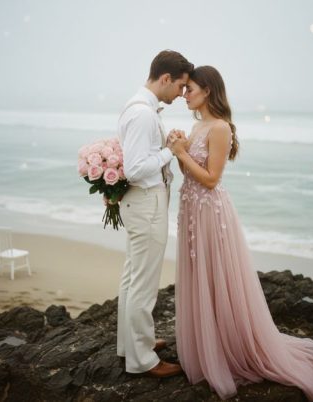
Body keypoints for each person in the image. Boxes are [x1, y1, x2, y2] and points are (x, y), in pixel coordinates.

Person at [171, 65, 313, 400]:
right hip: (190, 211)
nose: (184, 94)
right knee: (200, 276)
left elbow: (211, 178)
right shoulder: (197, 124)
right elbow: (189, 173)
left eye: (190, 89)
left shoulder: (219, 127)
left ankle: (229, 348)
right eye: (184, 89)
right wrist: (181, 148)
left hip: (210, 214)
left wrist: (181, 152)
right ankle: (207, 345)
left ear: (208, 91)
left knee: (216, 277)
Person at [116, 50, 193, 377]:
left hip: (142, 201)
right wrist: (170, 151)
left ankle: (130, 345)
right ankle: (142, 360)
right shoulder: (144, 114)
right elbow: (135, 169)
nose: (182, 94)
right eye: (181, 86)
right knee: (143, 284)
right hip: (146, 202)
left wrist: (165, 146)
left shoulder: (140, 108)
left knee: (133, 278)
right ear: (165, 79)